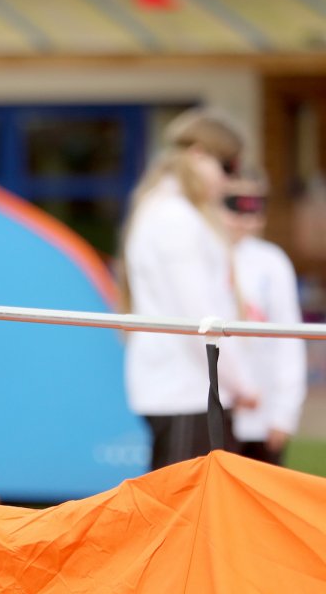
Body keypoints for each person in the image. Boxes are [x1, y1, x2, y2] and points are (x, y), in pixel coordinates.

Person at [121, 107, 258, 469]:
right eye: (228, 166)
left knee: (191, 513)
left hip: (191, 390)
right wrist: (242, 382)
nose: (231, 180)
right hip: (187, 393)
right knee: (183, 516)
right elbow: (200, 316)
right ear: (198, 154)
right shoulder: (174, 217)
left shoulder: (168, 210)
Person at [217, 175, 307, 465]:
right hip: (215, 407)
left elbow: (289, 339)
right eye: (235, 206)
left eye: (254, 208)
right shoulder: (203, 258)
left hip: (262, 412)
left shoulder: (272, 262)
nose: (245, 218)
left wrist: (284, 413)